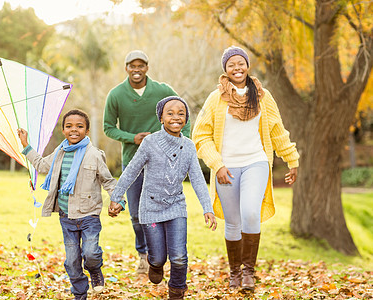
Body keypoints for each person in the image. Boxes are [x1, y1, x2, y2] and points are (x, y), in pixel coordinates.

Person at [192, 46, 299, 291]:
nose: (237, 68)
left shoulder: (263, 96)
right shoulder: (215, 98)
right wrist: (217, 164)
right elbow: (201, 136)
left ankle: (249, 272)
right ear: (225, 70)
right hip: (226, 167)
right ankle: (234, 273)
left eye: (241, 63)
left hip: (256, 161)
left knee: (250, 212)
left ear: (247, 65)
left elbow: (277, 130)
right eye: (231, 64)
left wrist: (292, 160)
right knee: (232, 221)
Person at [109, 96, 217, 300]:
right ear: (161, 117)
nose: (176, 117)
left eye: (181, 113)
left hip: (176, 206)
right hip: (151, 209)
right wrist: (116, 196)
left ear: (186, 118)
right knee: (158, 257)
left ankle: (177, 291)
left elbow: (197, 179)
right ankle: (155, 264)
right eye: (170, 113)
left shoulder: (189, 147)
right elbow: (132, 170)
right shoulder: (150, 143)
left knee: (178, 256)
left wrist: (207, 207)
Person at [17, 109, 125, 300]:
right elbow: (42, 165)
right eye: (69, 126)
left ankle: (95, 270)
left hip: (89, 215)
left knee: (91, 253)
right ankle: (79, 294)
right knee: (72, 261)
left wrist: (118, 200)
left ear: (87, 130)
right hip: (66, 216)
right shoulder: (60, 152)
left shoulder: (94, 154)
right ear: (63, 130)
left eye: (79, 126)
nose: (74, 130)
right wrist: (26, 145)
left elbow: (108, 181)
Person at [103, 50, 191, 274]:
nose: (136, 70)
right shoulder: (116, 95)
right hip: (132, 160)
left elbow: (183, 114)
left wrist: (184, 144)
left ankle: (161, 255)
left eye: (141, 66)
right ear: (126, 68)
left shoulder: (161, 90)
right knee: (136, 213)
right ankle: (144, 254)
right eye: (132, 66)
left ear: (147, 68)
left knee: (165, 209)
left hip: (163, 164)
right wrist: (132, 138)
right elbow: (108, 128)